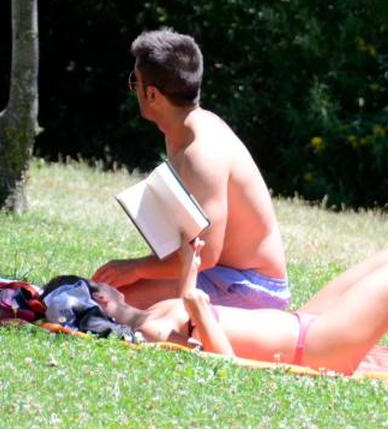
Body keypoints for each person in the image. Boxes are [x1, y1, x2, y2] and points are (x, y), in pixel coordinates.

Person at [89, 239, 388, 399]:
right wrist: (193, 294)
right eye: (95, 290)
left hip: (303, 323)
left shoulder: (152, 312)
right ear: (102, 306)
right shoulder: (148, 329)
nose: (105, 284)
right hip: (316, 346)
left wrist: (191, 262)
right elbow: (223, 362)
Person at [92, 29, 290, 310]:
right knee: (103, 295)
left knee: (106, 305)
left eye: (134, 81)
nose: (133, 88)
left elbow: (205, 254)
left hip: (250, 287)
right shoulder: (182, 130)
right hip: (217, 274)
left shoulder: (202, 153)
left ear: (151, 94)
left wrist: (135, 268)